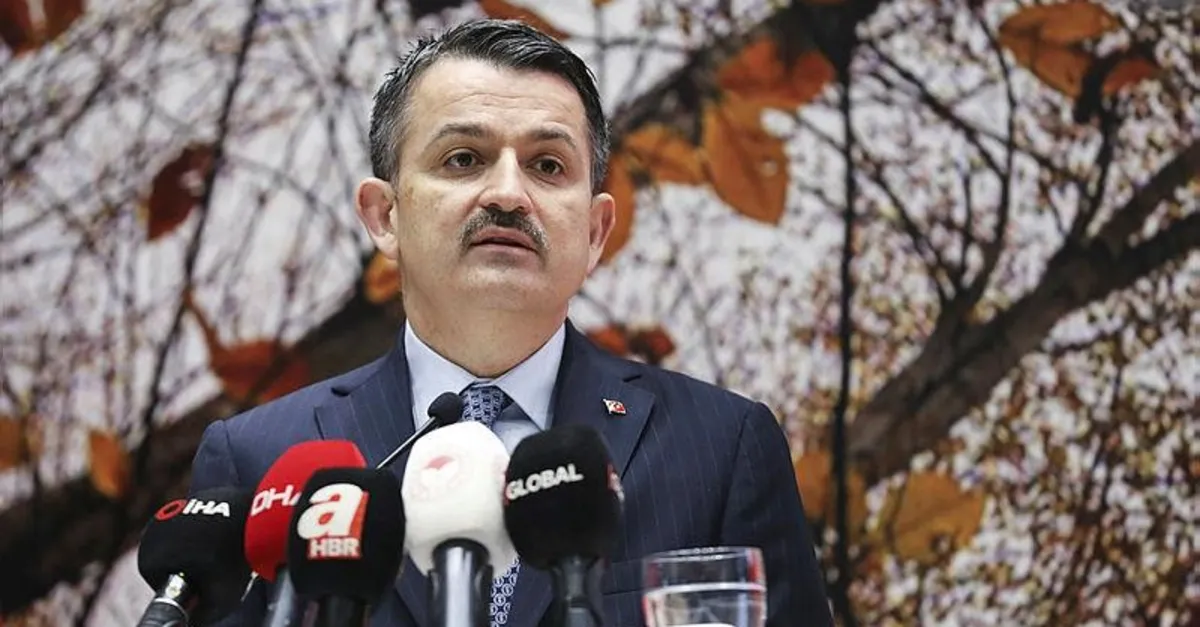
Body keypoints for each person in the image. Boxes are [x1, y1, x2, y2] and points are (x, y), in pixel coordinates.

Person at [188, 18, 832, 627]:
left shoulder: (722, 447)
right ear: (384, 216)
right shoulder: (262, 461)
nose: (507, 194)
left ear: (596, 231)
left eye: (547, 165)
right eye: (463, 158)